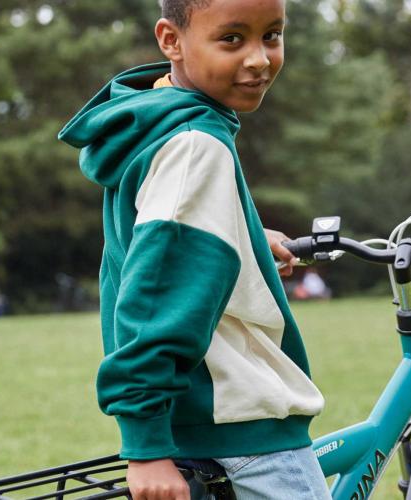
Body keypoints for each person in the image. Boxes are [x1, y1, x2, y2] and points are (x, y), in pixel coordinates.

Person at [58, 0, 329, 498]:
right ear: (171, 40)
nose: (259, 59)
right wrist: (144, 447)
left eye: (272, 35)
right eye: (232, 39)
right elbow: (156, 294)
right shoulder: (195, 142)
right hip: (242, 432)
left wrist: (244, 236)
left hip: (204, 425)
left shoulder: (155, 122)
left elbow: (160, 239)